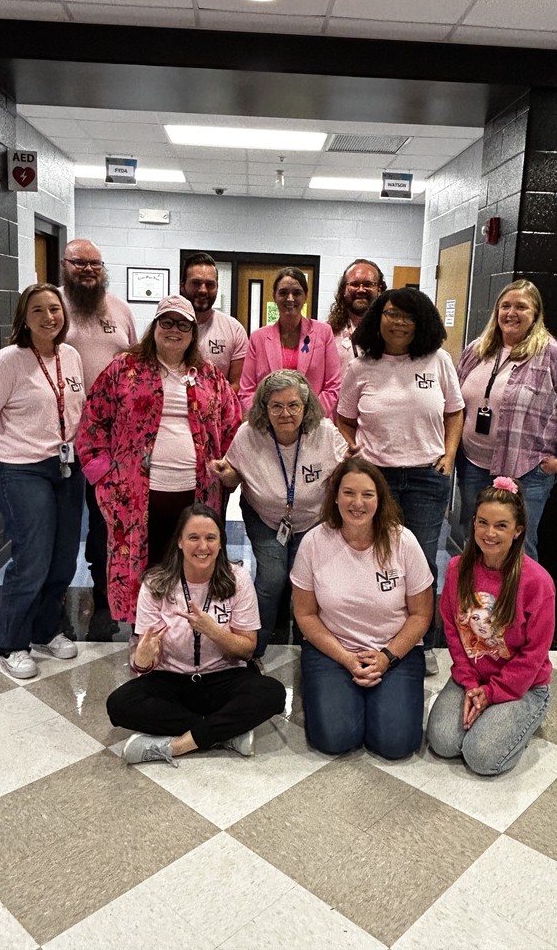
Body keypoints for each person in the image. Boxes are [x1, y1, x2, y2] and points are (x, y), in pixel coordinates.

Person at [75, 295, 241, 626]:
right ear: (155, 326)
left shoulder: (209, 376)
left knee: (189, 565)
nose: (174, 330)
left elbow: (232, 426)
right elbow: (93, 421)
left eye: (183, 324)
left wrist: (231, 469)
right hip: (134, 495)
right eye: (167, 322)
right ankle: (143, 634)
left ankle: (184, 633)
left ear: (193, 333)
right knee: (142, 566)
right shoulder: (124, 369)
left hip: (197, 494)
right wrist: (104, 477)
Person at [337, 287, 464, 675]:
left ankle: (421, 642)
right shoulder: (361, 366)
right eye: (391, 313)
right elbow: (344, 419)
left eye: (408, 316)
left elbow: (455, 412)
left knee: (421, 562)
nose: (399, 322)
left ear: (421, 322)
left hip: (427, 477)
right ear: (378, 317)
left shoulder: (438, 360)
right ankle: (376, 636)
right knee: (377, 558)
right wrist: (354, 451)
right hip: (376, 480)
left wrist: (448, 456)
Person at [106, 504, 287, 766]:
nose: (203, 546)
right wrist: (142, 660)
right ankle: (224, 733)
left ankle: (178, 745)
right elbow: (144, 661)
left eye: (211, 538)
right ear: (179, 541)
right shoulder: (155, 583)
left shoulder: (238, 579)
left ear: (221, 543)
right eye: (194, 537)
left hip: (224, 676)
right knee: (119, 704)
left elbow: (247, 650)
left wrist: (211, 630)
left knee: (273, 693)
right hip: (171, 678)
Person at [0, 283, 85, 679]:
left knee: (63, 558)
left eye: (55, 309)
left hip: (66, 468)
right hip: (23, 470)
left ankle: (45, 629)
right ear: (24, 318)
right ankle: (12, 643)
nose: (49, 317)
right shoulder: (8, 361)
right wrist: (10, 453)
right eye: (38, 310)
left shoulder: (70, 356)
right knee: (32, 558)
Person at [291, 458, 434, 759]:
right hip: (333, 649)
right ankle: (328, 689)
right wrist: (346, 658)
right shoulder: (314, 543)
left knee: (395, 744)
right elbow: (305, 614)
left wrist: (386, 657)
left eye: (367, 494)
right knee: (335, 738)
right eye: (348, 493)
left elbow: (421, 614)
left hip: (394, 649)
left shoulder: (403, 541)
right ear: (335, 497)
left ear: (380, 499)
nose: (357, 503)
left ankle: (377, 696)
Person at [209, 369, 348, 660]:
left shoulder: (325, 432)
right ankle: (252, 650)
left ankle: (312, 649)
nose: (286, 413)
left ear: (306, 406)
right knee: (272, 578)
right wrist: (226, 474)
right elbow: (234, 476)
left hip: (313, 520)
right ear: (264, 407)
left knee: (307, 581)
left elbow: (343, 473)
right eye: (277, 406)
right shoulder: (249, 434)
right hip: (265, 517)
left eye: (293, 405)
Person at [455, 278, 557, 560]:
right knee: (476, 541)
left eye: (521, 307)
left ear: (535, 314)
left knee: (520, 547)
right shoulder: (476, 351)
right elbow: (454, 403)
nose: (511, 313)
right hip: (473, 465)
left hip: (526, 470)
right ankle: (478, 590)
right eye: (505, 306)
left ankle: (520, 592)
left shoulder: (554, 355)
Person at [426, 477, 555, 775]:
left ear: (517, 531)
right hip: (474, 677)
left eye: (501, 525)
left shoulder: (537, 582)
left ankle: (527, 716)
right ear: (473, 523)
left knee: (481, 757)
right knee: (443, 742)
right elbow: (454, 634)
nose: (490, 533)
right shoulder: (457, 569)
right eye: (483, 522)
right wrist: (472, 685)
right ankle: (493, 716)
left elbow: (534, 654)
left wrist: (493, 693)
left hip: (523, 686)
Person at [59, 237, 137, 615]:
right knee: (63, 518)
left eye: (95, 263)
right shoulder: (54, 307)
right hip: (63, 437)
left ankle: (104, 584)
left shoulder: (120, 310)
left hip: (112, 439)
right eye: (80, 263)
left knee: (107, 515)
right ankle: (54, 588)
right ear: (65, 265)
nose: (88, 269)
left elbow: (137, 362)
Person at [238, 267, 340, 419]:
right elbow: (247, 390)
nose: (290, 298)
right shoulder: (257, 338)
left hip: (314, 423)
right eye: (283, 292)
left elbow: (333, 385)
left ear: (305, 296)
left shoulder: (323, 332)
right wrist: (270, 419)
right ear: (274, 296)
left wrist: (308, 418)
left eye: (297, 293)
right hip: (268, 424)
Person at [179, 251, 249, 393]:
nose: (203, 290)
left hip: (219, 406)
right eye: (196, 283)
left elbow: (237, 384)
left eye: (210, 284)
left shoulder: (234, 329)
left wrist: (209, 403)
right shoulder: (165, 328)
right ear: (182, 285)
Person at [327, 258, 386, 374]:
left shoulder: (390, 333)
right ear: (344, 290)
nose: (361, 290)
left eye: (368, 284)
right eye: (354, 284)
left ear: (379, 290)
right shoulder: (327, 332)